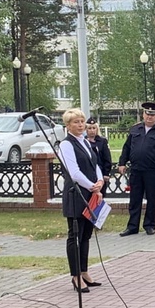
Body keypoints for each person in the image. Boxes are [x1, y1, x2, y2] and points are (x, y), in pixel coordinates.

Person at [56, 108, 104, 293]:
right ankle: (75, 275)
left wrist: (99, 181)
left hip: (92, 193)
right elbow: (74, 172)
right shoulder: (66, 145)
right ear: (68, 125)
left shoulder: (85, 141)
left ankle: (84, 271)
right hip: (76, 194)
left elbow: (95, 164)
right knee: (75, 235)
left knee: (86, 235)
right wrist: (92, 185)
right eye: (76, 122)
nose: (80, 125)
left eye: (82, 121)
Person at [116, 102, 155, 236]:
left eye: (152, 115)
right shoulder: (135, 129)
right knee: (135, 199)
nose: (149, 117)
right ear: (143, 114)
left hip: (153, 170)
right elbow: (127, 147)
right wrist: (122, 162)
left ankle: (149, 225)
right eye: (147, 114)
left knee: (152, 199)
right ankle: (132, 226)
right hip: (136, 169)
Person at [83, 117, 114, 187]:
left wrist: (106, 173)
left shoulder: (102, 141)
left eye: (94, 128)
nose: (92, 130)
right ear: (86, 129)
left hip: (100, 172)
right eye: (89, 128)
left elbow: (107, 158)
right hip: (88, 173)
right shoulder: (83, 141)